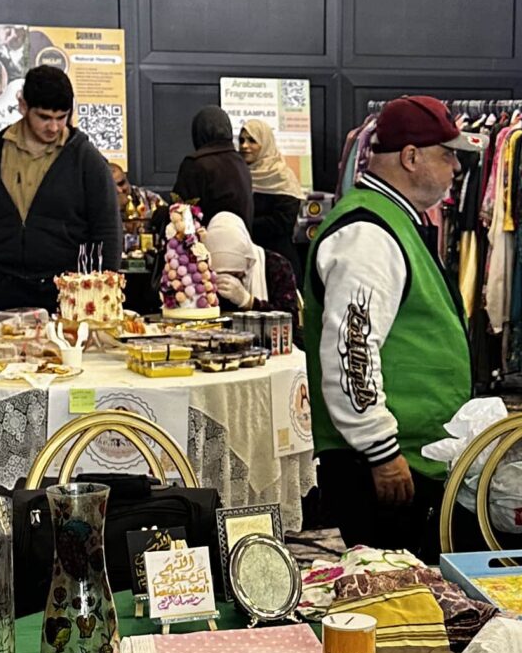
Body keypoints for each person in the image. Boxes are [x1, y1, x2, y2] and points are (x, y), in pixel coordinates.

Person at [304, 93, 474, 558]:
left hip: (406, 457)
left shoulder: (389, 221)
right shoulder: (368, 232)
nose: (456, 167)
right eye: (448, 154)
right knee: (393, 590)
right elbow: (351, 351)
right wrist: (380, 449)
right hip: (384, 465)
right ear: (411, 157)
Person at [0, 64, 121, 316]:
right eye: (44, 117)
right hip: (3, 289)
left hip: (67, 294)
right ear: (23, 106)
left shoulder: (86, 158)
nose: (54, 127)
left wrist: (103, 293)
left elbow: (108, 231)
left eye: (62, 117)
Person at [173, 107, 253, 226]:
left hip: (210, 236)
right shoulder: (240, 162)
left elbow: (181, 213)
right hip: (240, 236)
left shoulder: (196, 163)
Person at [240, 118, 302, 259]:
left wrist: (245, 224)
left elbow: (284, 222)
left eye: (252, 140)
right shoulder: (239, 174)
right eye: (242, 140)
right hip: (247, 255)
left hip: (277, 259)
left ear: (265, 143)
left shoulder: (282, 176)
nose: (244, 146)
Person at [203, 208, 267, 310]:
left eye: (235, 274)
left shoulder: (274, 266)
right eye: (220, 273)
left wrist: (248, 300)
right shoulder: (201, 271)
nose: (228, 279)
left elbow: (289, 313)